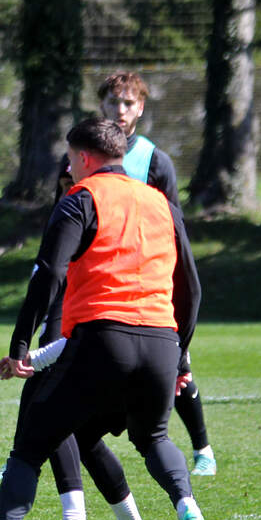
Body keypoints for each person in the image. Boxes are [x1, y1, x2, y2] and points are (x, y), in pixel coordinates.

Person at [0, 117, 208, 520]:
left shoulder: (81, 198)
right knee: (153, 437)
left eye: (72, 161)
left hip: (102, 338)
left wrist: (20, 347)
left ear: (82, 157)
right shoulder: (161, 203)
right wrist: (180, 351)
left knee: (30, 446)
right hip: (161, 339)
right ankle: (187, 508)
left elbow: (49, 275)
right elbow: (191, 288)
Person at [98, 70, 216, 477]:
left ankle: (202, 447)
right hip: (102, 277)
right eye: (112, 101)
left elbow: (172, 224)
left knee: (175, 361)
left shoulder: (153, 159)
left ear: (140, 109)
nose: (119, 110)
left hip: (147, 274)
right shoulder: (82, 154)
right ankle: (32, 451)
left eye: (127, 103)